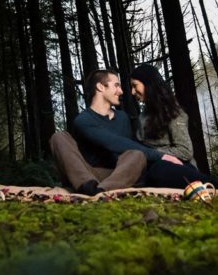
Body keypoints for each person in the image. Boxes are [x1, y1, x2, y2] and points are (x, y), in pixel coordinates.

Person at [49, 69, 181, 195]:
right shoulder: (83, 120)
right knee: (59, 137)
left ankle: (101, 191)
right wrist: (161, 156)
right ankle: (87, 187)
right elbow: (113, 143)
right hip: (87, 173)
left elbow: (129, 149)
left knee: (136, 154)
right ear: (100, 87)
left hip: (118, 175)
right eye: (116, 85)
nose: (121, 91)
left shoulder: (123, 117)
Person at [129, 63, 195, 164]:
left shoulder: (173, 113)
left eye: (135, 85)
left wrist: (150, 153)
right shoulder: (144, 115)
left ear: (148, 84)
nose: (133, 92)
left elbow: (185, 151)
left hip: (178, 170)